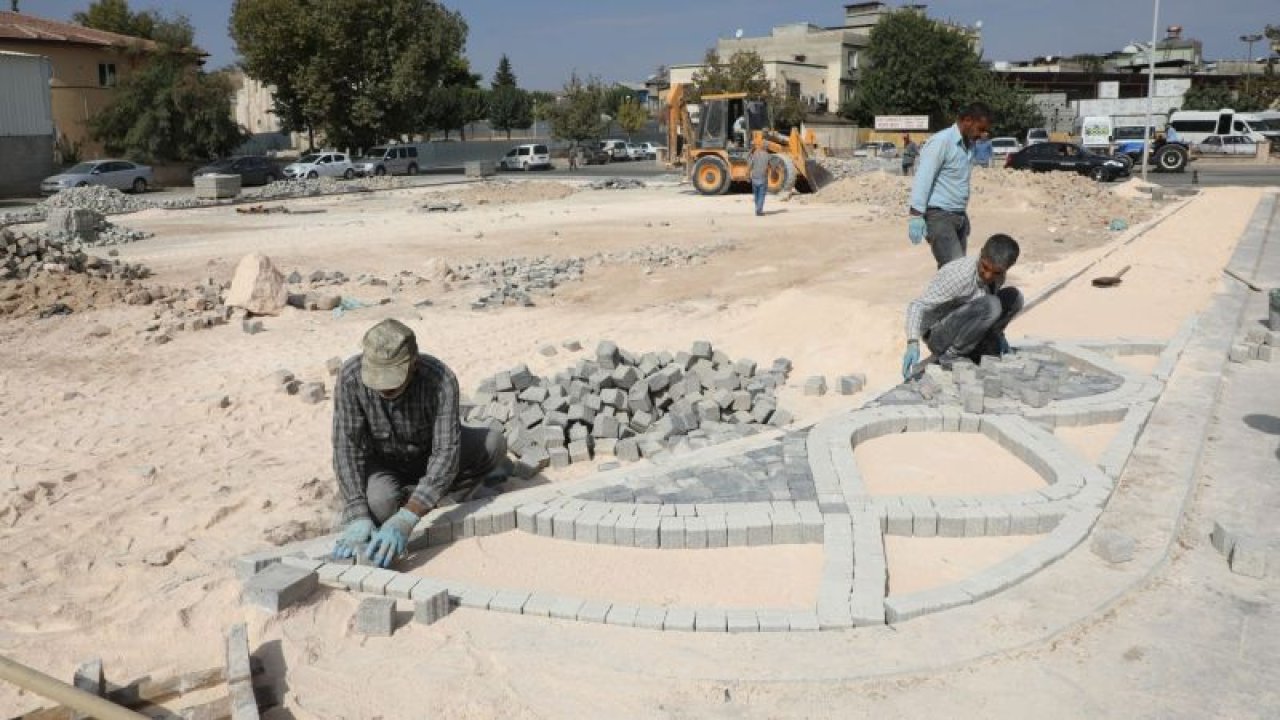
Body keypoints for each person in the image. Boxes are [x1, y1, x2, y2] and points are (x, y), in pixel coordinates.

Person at [332, 319, 510, 568]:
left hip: (430, 456)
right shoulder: (351, 376)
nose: (384, 389)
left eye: (392, 382)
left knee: (494, 443)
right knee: (380, 505)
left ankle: (432, 497)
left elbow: (446, 452)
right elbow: (346, 448)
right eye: (377, 381)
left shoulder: (441, 380)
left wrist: (406, 518)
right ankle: (418, 497)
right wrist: (356, 513)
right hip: (384, 462)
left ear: (413, 364)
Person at [901, 234, 1023, 380]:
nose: (988, 275)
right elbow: (917, 305)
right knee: (992, 305)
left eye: (997, 272)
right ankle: (951, 355)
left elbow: (982, 305)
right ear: (981, 252)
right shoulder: (959, 275)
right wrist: (912, 343)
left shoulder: (998, 276)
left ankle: (987, 341)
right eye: (985, 267)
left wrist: (999, 334)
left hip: (966, 327)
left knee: (1014, 297)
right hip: (938, 334)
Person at [907, 102, 993, 268]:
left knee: (954, 272)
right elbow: (923, 177)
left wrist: (962, 213)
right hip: (939, 216)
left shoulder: (968, 146)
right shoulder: (941, 142)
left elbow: (956, 182)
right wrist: (916, 215)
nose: (983, 134)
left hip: (957, 215)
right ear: (968, 120)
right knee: (956, 271)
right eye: (980, 129)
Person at [748, 136, 770, 216]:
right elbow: (770, 166)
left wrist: (747, 175)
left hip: (754, 178)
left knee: (756, 194)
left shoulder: (755, 154)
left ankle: (757, 208)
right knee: (761, 195)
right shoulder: (768, 155)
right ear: (766, 147)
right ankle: (759, 210)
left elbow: (750, 165)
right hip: (763, 178)